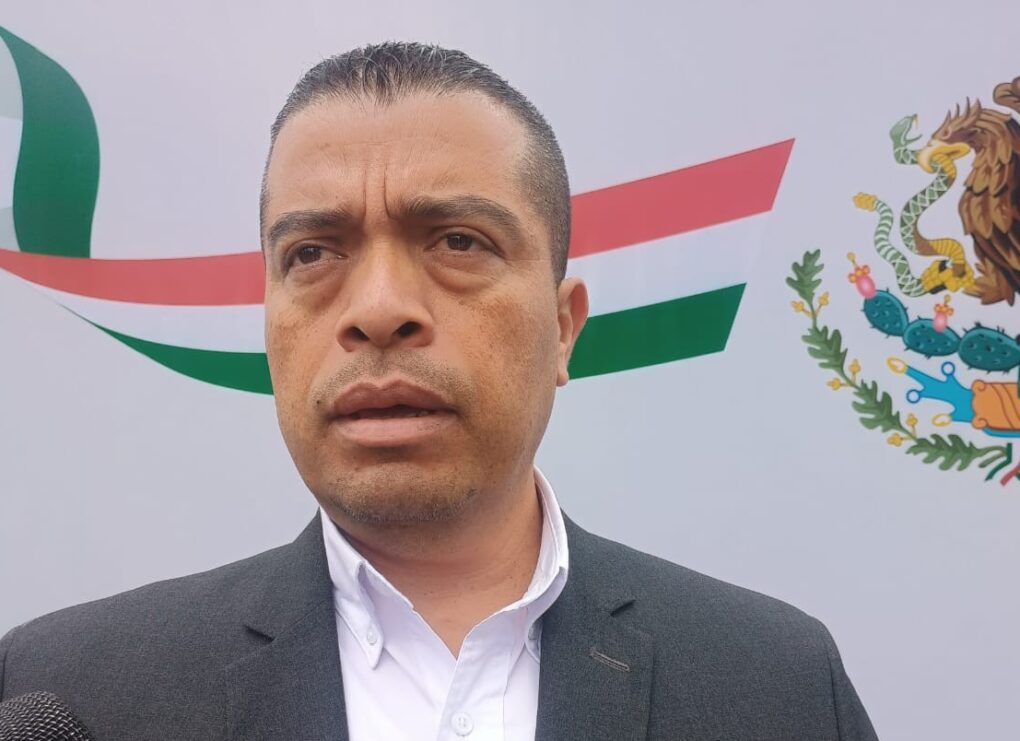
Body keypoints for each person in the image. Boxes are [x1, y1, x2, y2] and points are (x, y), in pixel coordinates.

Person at [0, 43, 878, 740]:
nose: (379, 309)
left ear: (563, 327)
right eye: (312, 253)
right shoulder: (71, 694)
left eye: (458, 241)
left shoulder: (778, 685)